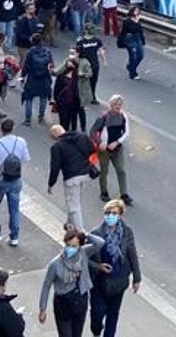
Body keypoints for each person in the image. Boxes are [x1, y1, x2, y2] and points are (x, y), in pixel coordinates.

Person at [37, 225, 104, 337]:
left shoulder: (83, 253)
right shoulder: (55, 264)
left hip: (80, 300)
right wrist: (42, 309)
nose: (70, 249)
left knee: (77, 334)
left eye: (74, 246)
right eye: (68, 245)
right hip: (63, 303)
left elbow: (100, 243)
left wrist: (85, 234)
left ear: (79, 246)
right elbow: (46, 286)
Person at [88, 199, 141, 337]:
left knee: (113, 314)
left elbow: (132, 254)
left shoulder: (127, 232)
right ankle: (96, 331)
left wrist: (137, 278)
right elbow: (85, 259)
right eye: (107, 213)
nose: (110, 216)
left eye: (114, 213)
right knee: (97, 313)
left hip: (118, 279)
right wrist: (98, 266)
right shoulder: (95, 233)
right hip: (100, 282)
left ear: (120, 215)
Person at [0, 118, 30, 248]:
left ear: (1, 130)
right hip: (16, 180)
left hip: (1, 180)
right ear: (13, 128)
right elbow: (26, 158)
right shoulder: (21, 141)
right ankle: (14, 237)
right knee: (14, 208)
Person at [46, 124, 95, 231]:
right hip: (86, 174)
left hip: (72, 178)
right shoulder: (81, 136)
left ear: (54, 136)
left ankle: (80, 233)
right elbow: (92, 149)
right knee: (75, 200)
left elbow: (55, 168)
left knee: (74, 206)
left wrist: (51, 184)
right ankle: (70, 224)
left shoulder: (57, 147)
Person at [92, 96, 133, 205]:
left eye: (120, 105)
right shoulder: (103, 118)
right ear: (111, 105)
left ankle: (124, 194)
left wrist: (117, 142)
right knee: (104, 171)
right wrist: (100, 143)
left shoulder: (123, 116)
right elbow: (93, 131)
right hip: (104, 150)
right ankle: (104, 192)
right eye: (116, 105)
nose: (118, 107)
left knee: (121, 170)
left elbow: (126, 132)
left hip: (117, 148)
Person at [21, 35, 55, 126]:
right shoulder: (47, 52)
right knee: (43, 98)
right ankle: (41, 116)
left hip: (32, 79)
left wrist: (22, 76)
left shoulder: (30, 52)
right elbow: (51, 65)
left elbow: (26, 66)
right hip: (44, 79)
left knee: (28, 99)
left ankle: (28, 119)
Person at [52, 56, 85, 133]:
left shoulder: (77, 77)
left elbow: (80, 90)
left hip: (73, 102)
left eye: (71, 64)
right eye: (68, 64)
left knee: (70, 118)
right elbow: (56, 88)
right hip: (62, 102)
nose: (69, 66)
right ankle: (63, 133)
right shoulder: (61, 76)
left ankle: (68, 133)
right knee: (63, 119)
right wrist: (56, 99)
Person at [74, 25, 105, 103]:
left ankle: (92, 96)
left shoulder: (97, 40)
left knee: (93, 81)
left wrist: (104, 60)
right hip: (84, 64)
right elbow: (77, 53)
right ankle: (80, 95)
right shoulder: (81, 42)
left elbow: (101, 51)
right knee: (83, 80)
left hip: (94, 63)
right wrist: (75, 62)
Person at [118, 8, 145, 80]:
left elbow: (140, 30)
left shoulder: (138, 20)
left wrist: (142, 40)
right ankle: (132, 73)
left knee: (140, 55)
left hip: (137, 38)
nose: (137, 12)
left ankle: (130, 66)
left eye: (138, 11)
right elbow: (131, 29)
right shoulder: (127, 21)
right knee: (133, 55)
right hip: (130, 39)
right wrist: (136, 22)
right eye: (136, 11)